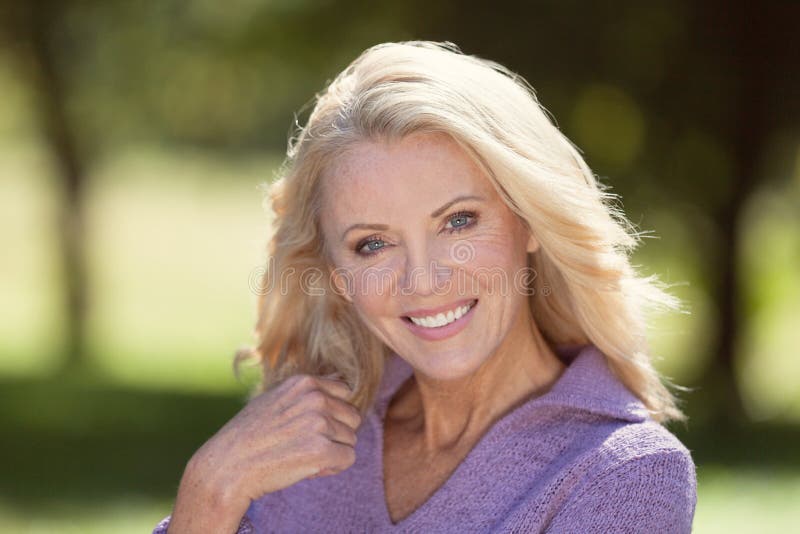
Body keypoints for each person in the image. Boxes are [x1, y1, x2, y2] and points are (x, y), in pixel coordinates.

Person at [153, 41, 697, 533]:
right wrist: (211, 489)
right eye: (373, 244)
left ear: (528, 221)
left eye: (458, 221)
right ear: (338, 273)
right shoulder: (300, 442)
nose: (424, 279)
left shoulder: (624, 475)